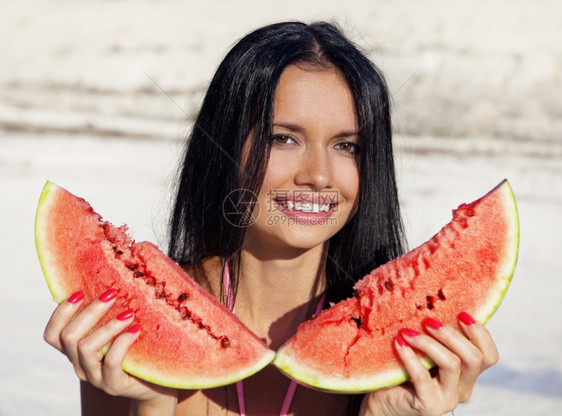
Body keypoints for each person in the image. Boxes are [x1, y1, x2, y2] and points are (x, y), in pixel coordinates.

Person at [43, 21, 499, 415]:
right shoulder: (128, 328)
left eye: (347, 146)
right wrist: (152, 405)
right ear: (222, 146)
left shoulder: (404, 351)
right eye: (283, 139)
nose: (319, 175)